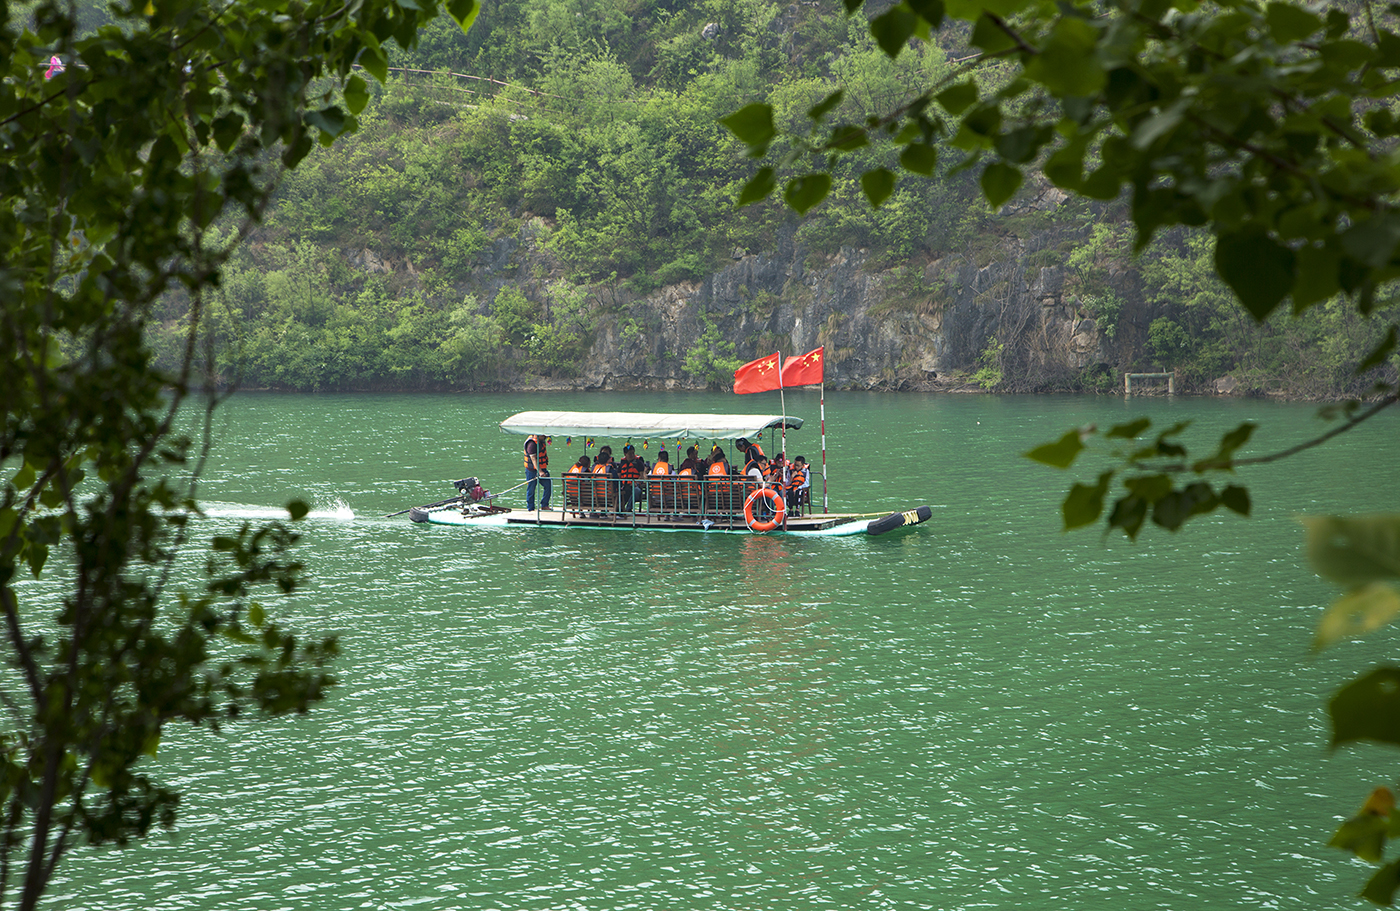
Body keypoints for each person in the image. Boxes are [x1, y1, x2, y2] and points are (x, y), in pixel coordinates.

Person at [524, 433, 550, 512]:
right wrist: (540, 472)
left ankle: (544, 504)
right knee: (531, 489)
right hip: (531, 470)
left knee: (548, 485)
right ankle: (530, 508)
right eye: (544, 435)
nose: (545, 437)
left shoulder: (541, 441)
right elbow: (533, 458)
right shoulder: (532, 444)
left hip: (542, 468)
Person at [618, 444, 647, 512]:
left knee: (636, 491)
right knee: (622, 491)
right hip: (625, 485)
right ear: (625, 454)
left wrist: (636, 482)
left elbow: (642, 476)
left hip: (636, 485)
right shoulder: (622, 463)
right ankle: (619, 508)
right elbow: (618, 475)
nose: (632, 455)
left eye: (633, 453)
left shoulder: (639, 463)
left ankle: (628, 508)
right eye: (630, 453)